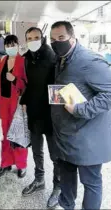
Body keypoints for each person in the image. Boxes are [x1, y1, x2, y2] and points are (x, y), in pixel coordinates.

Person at [50, 21, 111, 210]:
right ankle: (66, 205)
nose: (56, 43)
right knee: (67, 177)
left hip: (87, 138)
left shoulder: (90, 61)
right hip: (66, 136)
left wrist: (80, 109)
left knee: (90, 181)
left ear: (73, 38)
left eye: (61, 38)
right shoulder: (61, 58)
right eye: (52, 39)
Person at [20, 27, 60, 208]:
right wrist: (25, 100)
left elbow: (57, 86)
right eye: (29, 38)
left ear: (42, 38)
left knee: (55, 153)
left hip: (50, 115)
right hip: (34, 113)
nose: (33, 40)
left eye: (36, 37)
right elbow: (31, 84)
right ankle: (39, 179)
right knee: (36, 150)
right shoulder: (27, 58)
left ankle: (58, 186)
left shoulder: (52, 57)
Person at [0, 34, 28, 178]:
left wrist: (15, 80)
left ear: (18, 45)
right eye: (8, 45)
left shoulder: (24, 61)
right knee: (5, 135)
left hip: (17, 105)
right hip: (3, 103)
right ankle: (5, 163)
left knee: (18, 135)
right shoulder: (1, 60)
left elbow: (27, 85)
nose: (10, 48)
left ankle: (21, 165)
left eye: (13, 44)